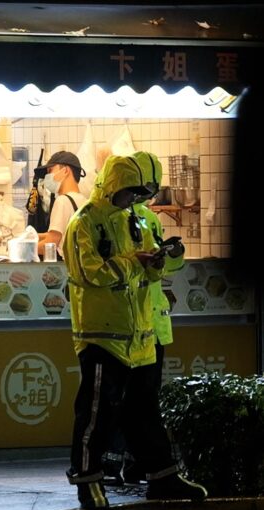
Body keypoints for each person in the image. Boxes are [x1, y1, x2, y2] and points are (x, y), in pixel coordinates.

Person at [62, 154, 207, 509]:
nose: (136, 201)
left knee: (144, 410)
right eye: (130, 193)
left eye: (142, 195)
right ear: (114, 185)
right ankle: (87, 481)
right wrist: (134, 263)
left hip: (145, 334)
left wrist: (166, 257)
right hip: (102, 338)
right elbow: (89, 273)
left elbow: (159, 270)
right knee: (97, 413)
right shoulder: (85, 223)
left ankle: (162, 477)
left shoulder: (144, 218)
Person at [101, 151, 187, 485]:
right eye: (140, 188)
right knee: (124, 398)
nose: (144, 195)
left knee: (145, 399)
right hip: (123, 324)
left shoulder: (149, 219)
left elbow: (163, 268)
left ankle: (141, 464)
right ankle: (113, 463)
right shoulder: (106, 217)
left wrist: (173, 256)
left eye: (149, 189)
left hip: (152, 324)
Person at [36, 151, 87, 259]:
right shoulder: (83, 200)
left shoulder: (62, 201)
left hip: (66, 268)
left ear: (65, 171)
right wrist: (34, 237)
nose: (47, 177)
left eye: (50, 171)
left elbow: (51, 244)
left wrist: (23, 249)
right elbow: (62, 234)